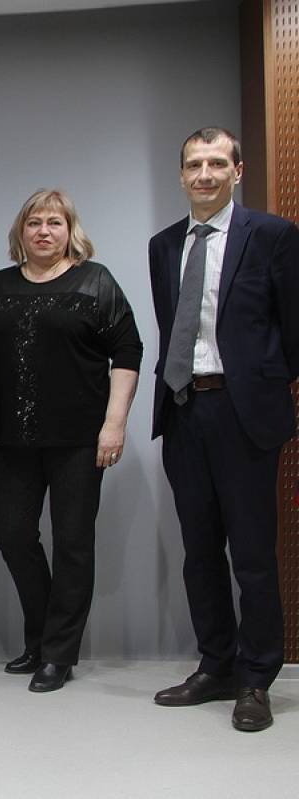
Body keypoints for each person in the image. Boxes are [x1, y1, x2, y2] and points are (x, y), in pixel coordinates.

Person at [148, 127, 298, 732]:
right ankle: (217, 666)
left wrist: (258, 384)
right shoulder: (164, 245)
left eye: (216, 163)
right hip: (185, 409)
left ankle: (256, 679)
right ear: (181, 174)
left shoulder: (273, 236)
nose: (204, 174)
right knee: (200, 551)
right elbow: (171, 325)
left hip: (244, 414)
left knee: (253, 555)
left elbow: (293, 330)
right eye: (194, 164)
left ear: (238, 171)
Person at [0, 188, 141, 692]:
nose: (43, 231)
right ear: (20, 232)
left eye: (54, 223)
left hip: (80, 441)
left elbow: (128, 351)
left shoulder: (95, 281)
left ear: (70, 230)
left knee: (73, 544)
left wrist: (114, 423)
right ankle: (42, 638)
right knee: (13, 535)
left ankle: (58, 654)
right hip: (16, 440)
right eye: (34, 223)